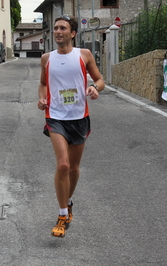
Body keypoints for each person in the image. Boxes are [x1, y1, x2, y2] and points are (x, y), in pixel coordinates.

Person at [37, 15, 105, 237]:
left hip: (79, 117)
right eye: (55, 28)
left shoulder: (83, 55)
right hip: (55, 117)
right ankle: (62, 214)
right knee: (63, 165)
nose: (57, 31)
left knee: (74, 168)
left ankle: (69, 201)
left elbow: (100, 80)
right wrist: (41, 98)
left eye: (62, 28)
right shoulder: (47, 58)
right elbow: (43, 84)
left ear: (72, 33)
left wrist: (95, 88)